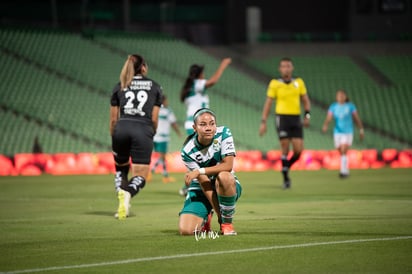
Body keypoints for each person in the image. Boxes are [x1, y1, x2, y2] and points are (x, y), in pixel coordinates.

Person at [110, 54, 163, 220]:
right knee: (140, 175)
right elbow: (154, 118)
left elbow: (113, 119)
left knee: (121, 168)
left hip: (122, 128)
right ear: (144, 68)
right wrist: (150, 132)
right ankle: (127, 194)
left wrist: (115, 135)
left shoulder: (120, 86)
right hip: (143, 129)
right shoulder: (155, 87)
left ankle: (121, 195)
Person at [179, 108, 242, 236]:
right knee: (186, 231)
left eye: (212, 123)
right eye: (203, 124)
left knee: (224, 176)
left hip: (225, 185)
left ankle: (227, 225)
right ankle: (207, 216)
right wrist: (219, 213)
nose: (208, 128)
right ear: (194, 128)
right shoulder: (187, 151)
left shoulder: (224, 133)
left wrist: (199, 171)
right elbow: (204, 184)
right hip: (201, 188)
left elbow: (228, 165)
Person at [179, 58, 231, 196]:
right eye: (203, 73)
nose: (204, 76)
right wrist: (222, 66)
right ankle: (197, 183)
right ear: (199, 74)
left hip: (193, 123)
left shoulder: (189, 89)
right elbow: (212, 81)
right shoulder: (197, 84)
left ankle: (192, 181)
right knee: (205, 154)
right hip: (198, 124)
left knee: (197, 155)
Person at [259, 57, 311, 189]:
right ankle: (286, 179)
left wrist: (307, 114)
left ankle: (286, 166)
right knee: (285, 147)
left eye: (288, 66)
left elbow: (305, 100)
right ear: (280, 69)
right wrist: (263, 121)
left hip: (295, 118)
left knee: (299, 150)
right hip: (282, 118)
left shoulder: (299, 82)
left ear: (292, 68)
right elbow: (268, 103)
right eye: (283, 66)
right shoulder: (275, 83)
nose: (286, 68)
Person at [322, 89, 364, 178]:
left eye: (342, 95)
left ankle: (343, 172)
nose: (340, 97)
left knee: (344, 150)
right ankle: (346, 169)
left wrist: (361, 129)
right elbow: (329, 117)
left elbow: (356, 118)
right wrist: (325, 125)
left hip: (348, 132)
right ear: (336, 97)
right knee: (341, 151)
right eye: (339, 95)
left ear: (345, 97)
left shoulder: (350, 106)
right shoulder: (333, 106)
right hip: (337, 132)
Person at [151, 94, 182, 183]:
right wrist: (179, 133)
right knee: (162, 157)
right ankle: (164, 176)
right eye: (166, 100)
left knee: (161, 157)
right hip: (163, 137)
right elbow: (173, 123)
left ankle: (152, 172)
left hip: (155, 136)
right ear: (163, 101)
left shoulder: (154, 110)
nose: (167, 102)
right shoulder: (168, 111)